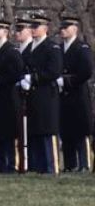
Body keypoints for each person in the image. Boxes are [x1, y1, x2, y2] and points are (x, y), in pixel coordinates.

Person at [23, 12, 62, 174]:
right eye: (31, 26)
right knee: (36, 130)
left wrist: (34, 78)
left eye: (36, 26)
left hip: (46, 94)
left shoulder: (51, 47)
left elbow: (54, 71)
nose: (33, 29)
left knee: (48, 130)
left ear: (45, 28)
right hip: (33, 95)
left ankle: (51, 166)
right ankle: (39, 166)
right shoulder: (30, 48)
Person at [0, 18, 24, 173]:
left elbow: (16, 73)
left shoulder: (11, 51)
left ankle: (11, 164)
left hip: (7, 97)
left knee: (8, 133)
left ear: (6, 32)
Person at [57, 13, 93, 171]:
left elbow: (86, 71)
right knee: (66, 132)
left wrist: (66, 81)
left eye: (66, 28)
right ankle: (70, 164)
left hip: (77, 94)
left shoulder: (82, 47)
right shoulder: (59, 48)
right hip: (63, 96)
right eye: (61, 28)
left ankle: (84, 164)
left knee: (80, 132)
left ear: (75, 29)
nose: (62, 31)